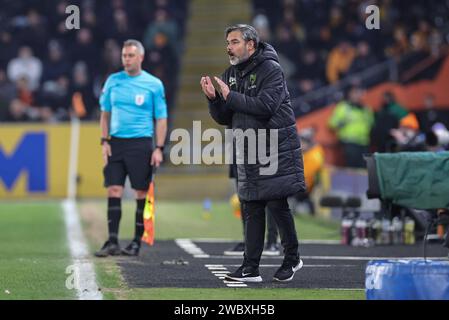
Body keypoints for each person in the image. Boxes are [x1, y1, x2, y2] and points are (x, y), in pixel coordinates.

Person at [201, 24, 305, 282]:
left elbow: (265, 106)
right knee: (251, 207)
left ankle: (292, 258)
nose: (229, 47)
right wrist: (215, 100)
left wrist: (230, 97)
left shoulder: (272, 69)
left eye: (234, 42)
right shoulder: (230, 74)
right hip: (247, 147)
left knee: (277, 204)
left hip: (275, 147)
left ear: (251, 45)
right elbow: (225, 117)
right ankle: (250, 268)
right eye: (228, 42)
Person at [95, 39, 168, 257]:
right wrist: (104, 141)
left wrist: (159, 148)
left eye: (130, 55)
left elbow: (161, 118)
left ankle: (136, 242)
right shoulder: (113, 81)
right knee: (113, 189)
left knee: (140, 192)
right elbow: (105, 114)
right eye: (124, 56)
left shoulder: (153, 84)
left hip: (141, 144)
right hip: (116, 143)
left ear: (141, 57)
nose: (126, 59)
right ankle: (113, 241)